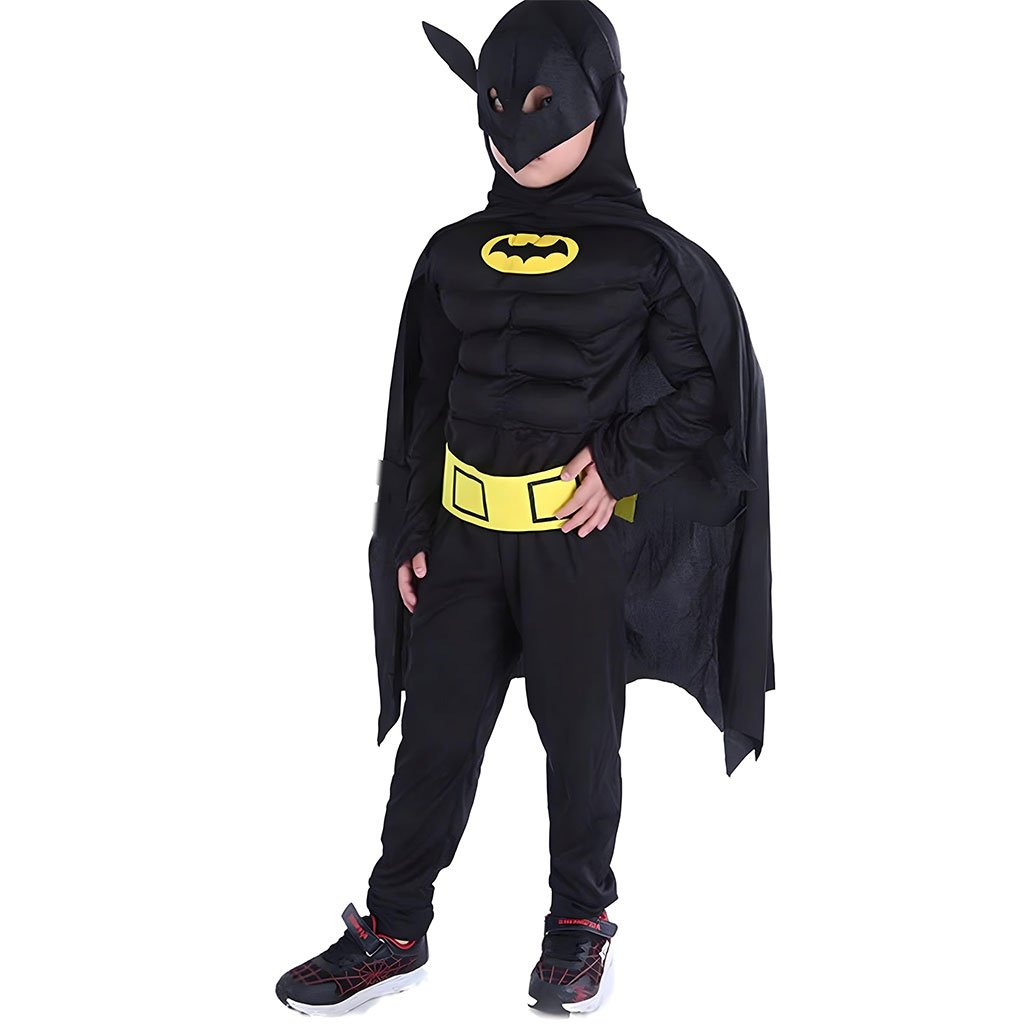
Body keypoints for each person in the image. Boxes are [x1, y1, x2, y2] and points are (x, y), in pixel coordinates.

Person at [277, 0, 773, 1016]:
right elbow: (426, 402)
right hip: (461, 540)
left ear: (603, 101)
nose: (516, 127)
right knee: (435, 739)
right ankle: (394, 929)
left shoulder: (648, 260)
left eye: (545, 100)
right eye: (498, 101)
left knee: (580, 739)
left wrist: (619, 463)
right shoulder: (451, 252)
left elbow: (704, 392)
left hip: (569, 544)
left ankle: (580, 923)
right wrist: (414, 527)